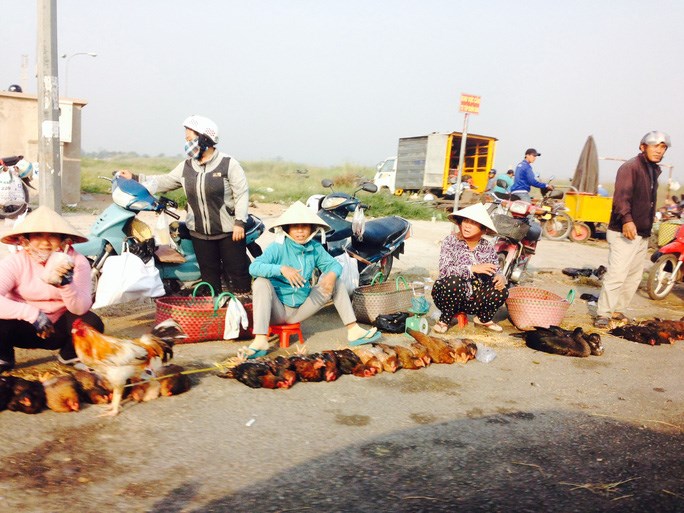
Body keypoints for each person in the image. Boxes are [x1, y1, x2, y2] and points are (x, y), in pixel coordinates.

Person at [119, 115, 252, 295]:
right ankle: (215, 312)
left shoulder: (228, 164)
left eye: (190, 138)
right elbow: (165, 181)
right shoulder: (187, 166)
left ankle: (244, 310)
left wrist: (239, 223)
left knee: (238, 275)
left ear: (205, 139)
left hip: (229, 232)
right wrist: (136, 178)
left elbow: (242, 194)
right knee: (209, 278)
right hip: (199, 233)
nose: (186, 142)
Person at [242, 201, 380, 358]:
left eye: (304, 227)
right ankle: (260, 340)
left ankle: (354, 330)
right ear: (287, 229)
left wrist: (331, 275)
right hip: (277, 310)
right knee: (261, 282)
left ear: (312, 229)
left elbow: (334, 265)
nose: (300, 231)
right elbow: (254, 268)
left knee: (335, 280)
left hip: (301, 309)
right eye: (295, 227)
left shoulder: (314, 248)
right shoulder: (278, 247)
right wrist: (281, 269)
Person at [0, 206, 104, 372]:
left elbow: (81, 307)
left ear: (64, 240)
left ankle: (69, 355)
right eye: (38, 236)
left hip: (58, 328)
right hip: (24, 326)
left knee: (92, 323)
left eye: (53, 236)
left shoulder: (77, 261)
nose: (45, 243)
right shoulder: (15, 262)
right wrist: (32, 314)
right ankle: (4, 357)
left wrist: (65, 284)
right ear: (25, 239)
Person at [594, 131, 670, 328]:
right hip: (623, 230)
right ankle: (603, 313)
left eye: (663, 147)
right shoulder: (631, 167)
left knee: (633, 276)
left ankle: (617, 310)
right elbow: (621, 198)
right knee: (617, 274)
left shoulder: (653, 170)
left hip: (642, 232)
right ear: (642, 146)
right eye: (655, 146)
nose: (659, 151)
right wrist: (628, 220)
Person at [431, 203, 508, 333]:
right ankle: (445, 319)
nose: (467, 225)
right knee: (453, 282)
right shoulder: (450, 241)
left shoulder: (487, 246)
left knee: (502, 290)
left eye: (473, 223)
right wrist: (472, 269)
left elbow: (496, 269)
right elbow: (444, 270)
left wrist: (500, 277)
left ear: (483, 230)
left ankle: (483, 319)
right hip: (449, 295)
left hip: (474, 300)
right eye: (465, 221)